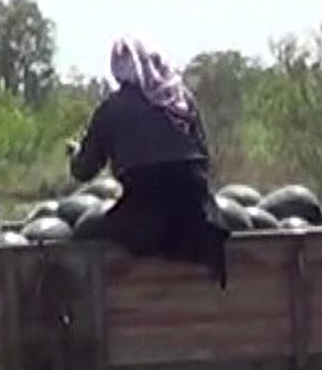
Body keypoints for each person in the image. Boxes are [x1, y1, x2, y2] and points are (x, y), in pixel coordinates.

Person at [67, 37, 228, 285]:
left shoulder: (111, 109)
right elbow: (203, 158)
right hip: (201, 220)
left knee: (86, 232)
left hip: (146, 223)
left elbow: (84, 171)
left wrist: (75, 153)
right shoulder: (181, 100)